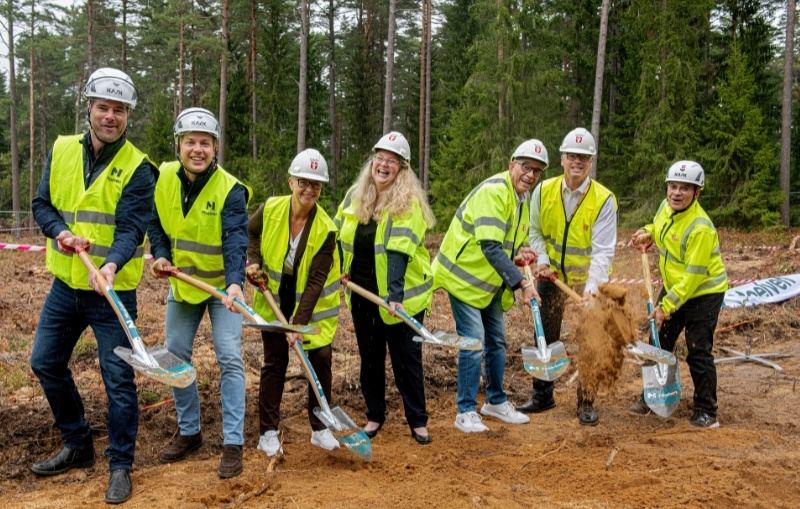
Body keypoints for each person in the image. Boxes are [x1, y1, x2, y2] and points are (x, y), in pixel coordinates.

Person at [29, 67, 156, 504]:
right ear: (89, 107)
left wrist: (111, 266)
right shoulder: (62, 149)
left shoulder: (140, 168)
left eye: (119, 110)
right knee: (45, 361)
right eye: (103, 107)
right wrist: (59, 233)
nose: (110, 116)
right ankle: (78, 442)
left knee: (118, 379)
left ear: (127, 116)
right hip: (66, 285)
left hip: (111, 293)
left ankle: (120, 465)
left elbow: (132, 227)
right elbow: (41, 204)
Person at [148, 107, 251, 478]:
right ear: (179, 145)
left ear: (215, 147)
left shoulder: (230, 189)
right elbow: (154, 221)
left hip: (223, 287)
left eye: (204, 143)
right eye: (190, 141)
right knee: (174, 355)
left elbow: (236, 238)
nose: (197, 149)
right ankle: (189, 432)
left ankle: (233, 442)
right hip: (183, 284)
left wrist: (236, 283)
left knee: (229, 357)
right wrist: (160, 254)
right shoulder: (161, 179)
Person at [432, 139, 543, 433]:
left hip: (489, 281)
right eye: (526, 167)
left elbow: (506, 244)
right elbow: (491, 247)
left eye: (537, 171)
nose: (530, 175)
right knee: (474, 342)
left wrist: (520, 253)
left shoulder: (520, 199)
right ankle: (465, 411)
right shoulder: (495, 192)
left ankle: (494, 401)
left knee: (498, 341)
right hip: (463, 277)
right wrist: (523, 285)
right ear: (512, 166)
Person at [334, 132, 435, 444]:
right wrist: (340, 271)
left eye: (392, 160)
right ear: (373, 161)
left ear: (402, 168)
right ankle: (375, 415)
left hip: (399, 296)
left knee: (407, 360)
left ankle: (417, 421)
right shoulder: (356, 195)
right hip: (362, 294)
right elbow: (337, 234)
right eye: (380, 157)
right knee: (371, 358)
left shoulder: (408, 203)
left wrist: (393, 296)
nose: (384, 164)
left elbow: (398, 251)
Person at [245, 149, 341, 456]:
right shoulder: (271, 208)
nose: (309, 189)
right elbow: (250, 232)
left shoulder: (326, 229)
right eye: (303, 182)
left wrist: (299, 324)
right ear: (291, 182)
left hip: (310, 304)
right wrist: (252, 261)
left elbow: (316, 281)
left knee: (321, 359)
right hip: (273, 296)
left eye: (316, 184)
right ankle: (268, 432)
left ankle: (321, 428)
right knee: (275, 363)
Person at [520, 127, 617, 427]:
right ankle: (542, 395)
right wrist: (544, 262)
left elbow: (603, 251)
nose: (577, 161)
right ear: (562, 158)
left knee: (590, 339)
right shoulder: (543, 190)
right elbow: (535, 231)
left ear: (590, 162)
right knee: (544, 335)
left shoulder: (603, 200)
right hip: (551, 277)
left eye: (584, 157)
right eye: (572, 156)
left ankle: (586, 401)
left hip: (589, 283)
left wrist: (590, 291)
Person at [630, 160, 727, 428]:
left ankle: (707, 411)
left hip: (703, 293)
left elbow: (693, 277)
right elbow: (660, 228)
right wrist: (647, 233)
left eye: (685, 188)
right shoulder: (666, 207)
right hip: (676, 288)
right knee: (658, 342)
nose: (676, 193)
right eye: (672, 186)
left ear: (697, 193)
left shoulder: (700, 228)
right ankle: (654, 396)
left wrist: (667, 305)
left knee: (697, 350)